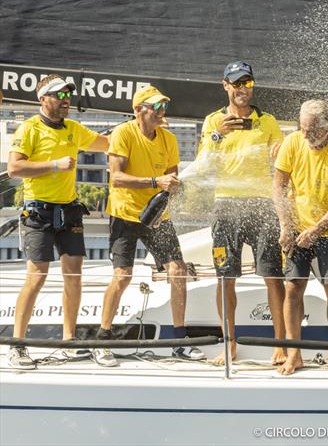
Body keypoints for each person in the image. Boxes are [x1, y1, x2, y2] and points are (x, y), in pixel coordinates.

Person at [92, 86, 204, 367]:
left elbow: (172, 176)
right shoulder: (123, 133)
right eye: (155, 106)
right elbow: (116, 177)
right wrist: (156, 182)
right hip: (125, 214)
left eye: (163, 106)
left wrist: (175, 185)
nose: (161, 111)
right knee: (123, 275)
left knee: (177, 269)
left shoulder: (168, 138)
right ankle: (102, 339)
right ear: (138, 110)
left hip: (157, 216)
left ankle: (179, 340)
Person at [6, 74, 109, 369]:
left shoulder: (74, 129)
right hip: (38, 211)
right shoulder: (29, 128)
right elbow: (14, 168)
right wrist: (55, 165)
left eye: (68, 96)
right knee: (36, 276)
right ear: (43, 99)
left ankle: (68, 341)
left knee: (74, 275)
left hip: (70, 210)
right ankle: (18, 345)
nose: (66, 101)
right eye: (59, 95)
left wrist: (141, 127)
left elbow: (107, 143)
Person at [198, 61, 286, 366]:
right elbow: (203, 166)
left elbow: (284, 159)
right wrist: (218, 135)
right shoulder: (212, 121)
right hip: (226, 206)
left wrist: (279, 152)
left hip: (262, 206)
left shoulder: (268, 121)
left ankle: (281, 343)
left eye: (247, 83)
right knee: (226, 278)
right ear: (225, 86)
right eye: (236, 84)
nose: (242, 89)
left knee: (273, 276)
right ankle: (229, 343)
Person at [273, 99, 328, 376]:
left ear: (326, 127)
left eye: (311, 129)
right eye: (302, 128)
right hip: (296, 227)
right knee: (293, 287)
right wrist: (286, 225)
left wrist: (317, 229)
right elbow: (279, 187)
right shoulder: (292, 142)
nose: (305, 134)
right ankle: (294, 353)